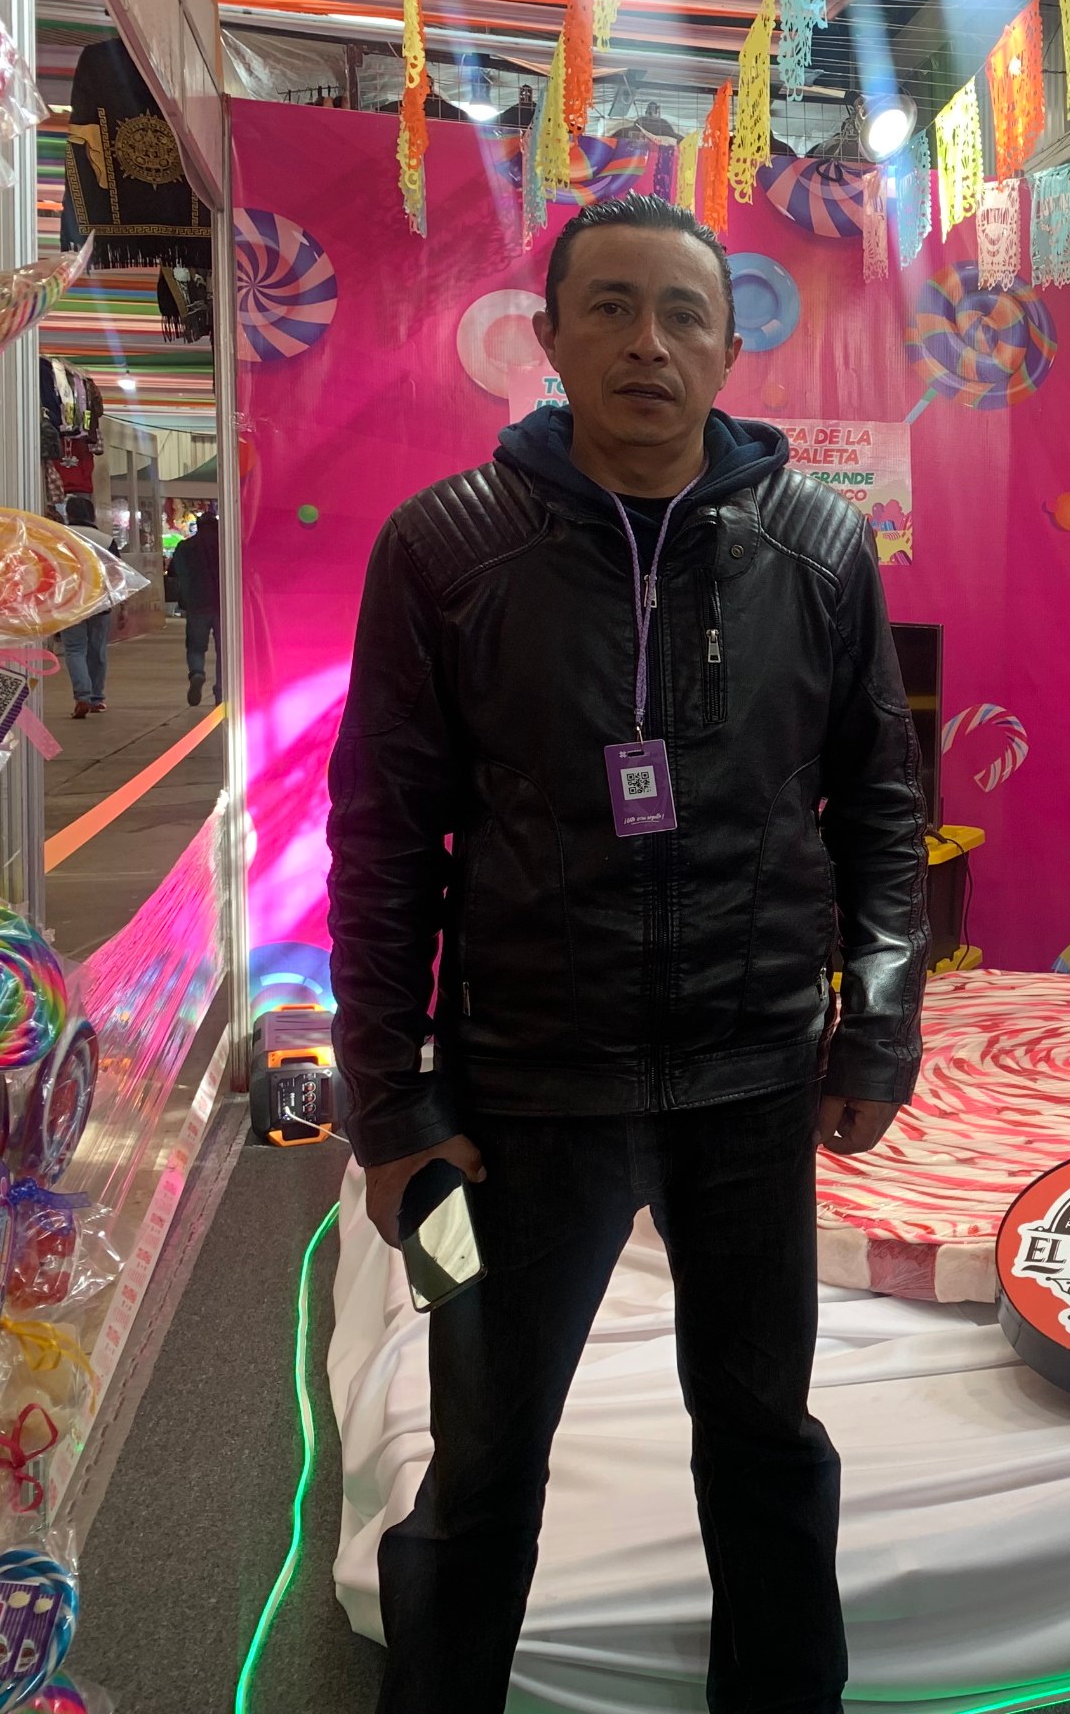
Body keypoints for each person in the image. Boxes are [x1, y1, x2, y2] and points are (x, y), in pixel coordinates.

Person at [327, 194, 928, 1714]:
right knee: (478, 1457)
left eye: (681, 314)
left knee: (766, 1439)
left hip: (749, 1089)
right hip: (514, 1097)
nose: (646, 342)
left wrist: (879, 1026)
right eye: (608, 307)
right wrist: (389, 1109)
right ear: (548, 337)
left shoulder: (819, 547)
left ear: (728, 350)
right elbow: (384, 840)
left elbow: (881, 805)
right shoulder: (445, 549)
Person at [56, 493, 114, 718]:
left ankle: (82, 696)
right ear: (92, 514)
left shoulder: (59, 537)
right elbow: (116, 573)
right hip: (99, 601)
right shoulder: (106, 540)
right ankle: (97, 698)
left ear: (68, 514)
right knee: (97, 651)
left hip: (69, 601)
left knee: (74, 649)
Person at [163, 504, 220, 705]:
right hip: (223, 605)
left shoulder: (184, 547)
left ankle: (197, 672)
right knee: (224, 650)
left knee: (195, 646)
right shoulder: (226, 545)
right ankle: (221, 691)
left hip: (196, 604)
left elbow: (173, 573)